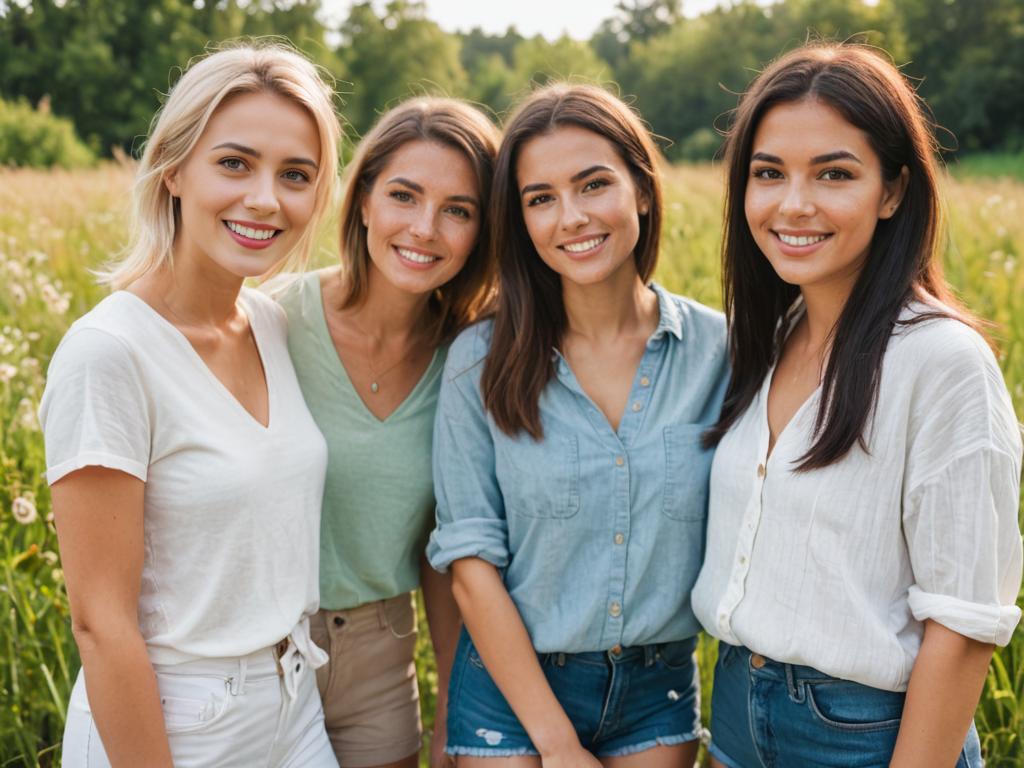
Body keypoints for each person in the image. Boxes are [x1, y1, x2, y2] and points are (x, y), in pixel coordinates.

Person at [691, 42, 1023, 768]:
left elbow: (964, 625)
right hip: (738, 715)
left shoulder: (940, 363)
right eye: (768, 173)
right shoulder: (770, 337)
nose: (794, 203)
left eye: (834, 174)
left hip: (863, 736)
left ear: (894, 191)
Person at [39, 42, 341, 767]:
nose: (266, 198)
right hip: (174, 719)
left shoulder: (272, 324)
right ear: (173, 169)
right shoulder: (109, 353)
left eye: (295, 175)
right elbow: (101, 625)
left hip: (293, 702)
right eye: (234, 163)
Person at [427, 83, 729, 765]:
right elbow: (471, 566)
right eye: (541, 199)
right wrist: (558, 746)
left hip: (658, 688)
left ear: (642, 192)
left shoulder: (722, 354)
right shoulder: (478, 360)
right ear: (522, 220)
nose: (571, 218)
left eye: (594, 186)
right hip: (512, 686)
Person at [272, 97, 498, 768]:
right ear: (364, 199)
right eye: (404, 195)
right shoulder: (272, 324)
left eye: (458, 210)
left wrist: (455, 715)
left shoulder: (471, 360)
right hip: (259, 653)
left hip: (380, 662)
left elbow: (444, 549)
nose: (424, 228)